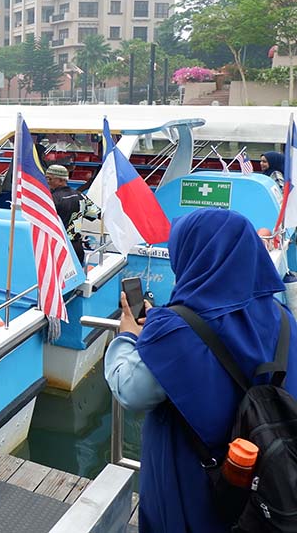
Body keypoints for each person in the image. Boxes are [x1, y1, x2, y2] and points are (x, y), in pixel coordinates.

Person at [104, 209, 297, 533]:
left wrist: (128, 335)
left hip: (197, 491)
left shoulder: (176, 329)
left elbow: (131, 390)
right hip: (266, 486)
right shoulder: (284, 320)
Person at [44, 164, 99, 265]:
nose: (47, 182)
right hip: (76, 248)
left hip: (59, 248)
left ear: (61, 180)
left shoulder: (52, 199)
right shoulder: (80, 196)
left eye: (50, 179)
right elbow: (95, 214)